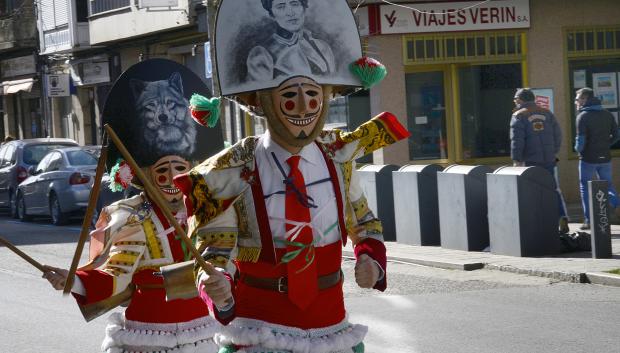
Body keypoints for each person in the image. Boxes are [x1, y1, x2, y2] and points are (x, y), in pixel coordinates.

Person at [41, 59, 224, 353]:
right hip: (149, 335)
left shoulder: (208, 211)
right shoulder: (131, 218)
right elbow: (115, 273)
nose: (171, 179)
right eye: (162, 172)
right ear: (145, 176)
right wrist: (74, 280)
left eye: (179, 170)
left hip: (203, 331)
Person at [510, 88, 568, 232]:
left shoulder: (518, 115)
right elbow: (558, 135)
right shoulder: (547, 113)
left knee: (532, 191)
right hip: (548, 160)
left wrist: (517, 160)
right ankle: (560, 215)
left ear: (520, 100)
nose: (515, 102)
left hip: (530, 161)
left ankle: (538, 223)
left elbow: (517, 140)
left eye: (515, 100)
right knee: (552, 188)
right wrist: (552, 151)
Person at [247, 0, 336, 83]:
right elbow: (263, 95)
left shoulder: (322, 46)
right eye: (281, 7)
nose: (290, 13)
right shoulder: (262, 54)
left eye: (295, 4)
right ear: (272, 14)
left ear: (304, 8)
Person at [574, 87, 620, 230]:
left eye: (577, 98)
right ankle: (613, 203)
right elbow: (617, 136)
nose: (575, 101)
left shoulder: (582, 116)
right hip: (605, 157)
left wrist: (577, 149)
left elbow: (580, 143)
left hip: (588, 159)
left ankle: (589, 220)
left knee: (585, 187)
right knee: (608, 185)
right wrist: (606, 145)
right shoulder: (607, 114)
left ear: (585, 99)